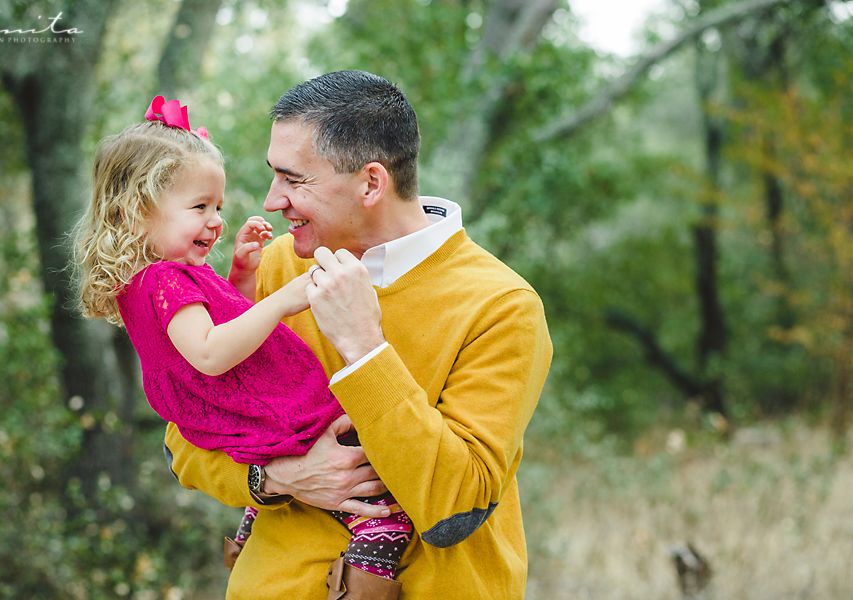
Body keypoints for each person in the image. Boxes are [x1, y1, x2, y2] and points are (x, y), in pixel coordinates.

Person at [163, 70, 554, 599]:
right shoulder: (277, 267)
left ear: (371, 183)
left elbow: (456, 507)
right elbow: (185, 438)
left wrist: (365, 349)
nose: (273, 200)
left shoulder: (503, 307)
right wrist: (277, 477)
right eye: (275, 175)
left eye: (293, 180)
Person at [71, 95, 414, 599]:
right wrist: (283, 300)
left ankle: (256, 518)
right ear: (138, 212)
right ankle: (367, 565)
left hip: (235, 408)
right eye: (199, 207)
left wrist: (242, 276)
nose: (215, 221)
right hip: (256, 407)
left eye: (218, 207)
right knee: (381, 499)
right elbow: (211, 354)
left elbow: (224, 326)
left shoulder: (161, 278)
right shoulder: (164, 281)